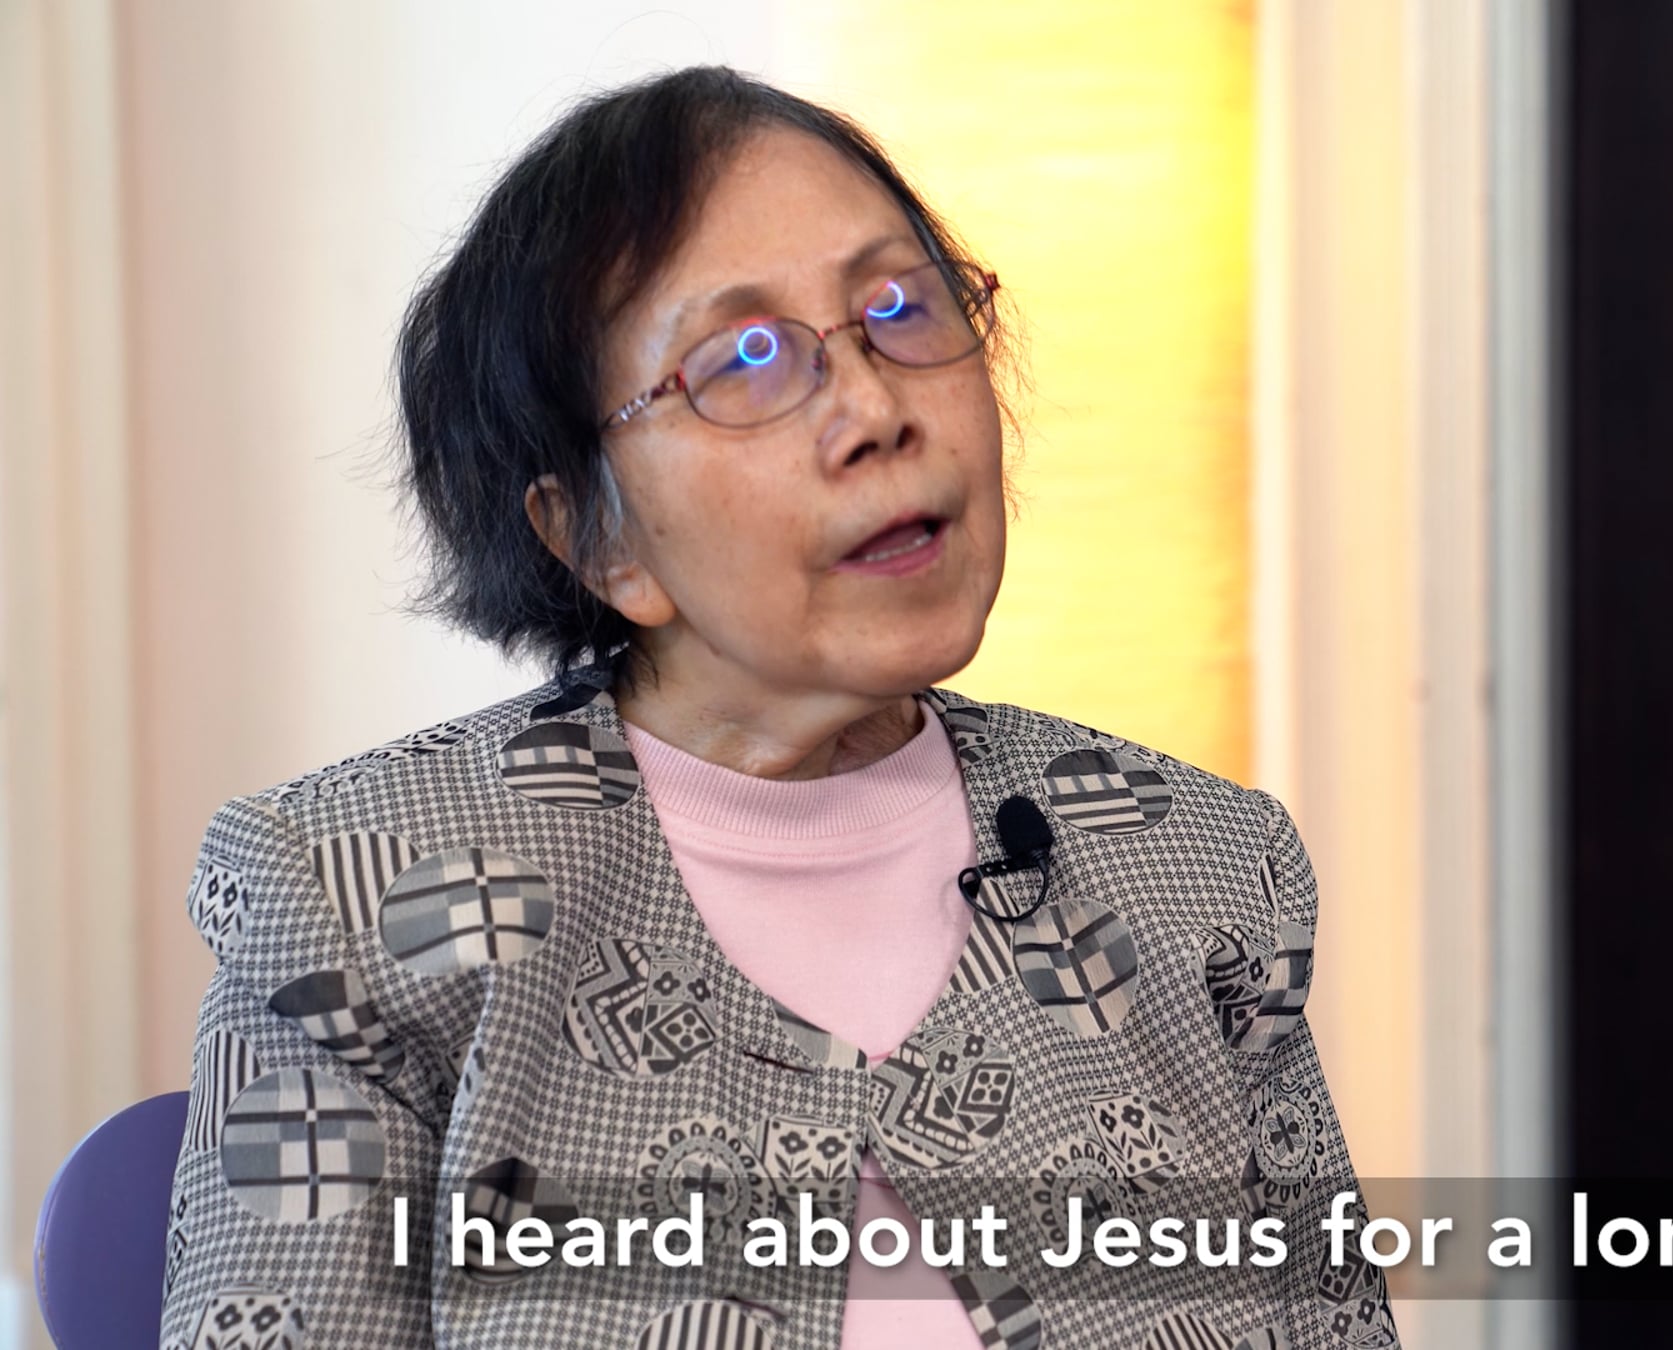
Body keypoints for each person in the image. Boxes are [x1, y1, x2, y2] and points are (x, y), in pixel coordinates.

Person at [159, 65, 1394, 1349]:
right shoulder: (361, 906)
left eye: (900, 308)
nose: (875, 411)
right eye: (744, 361)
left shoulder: (1198, 868)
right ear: (593, 536)